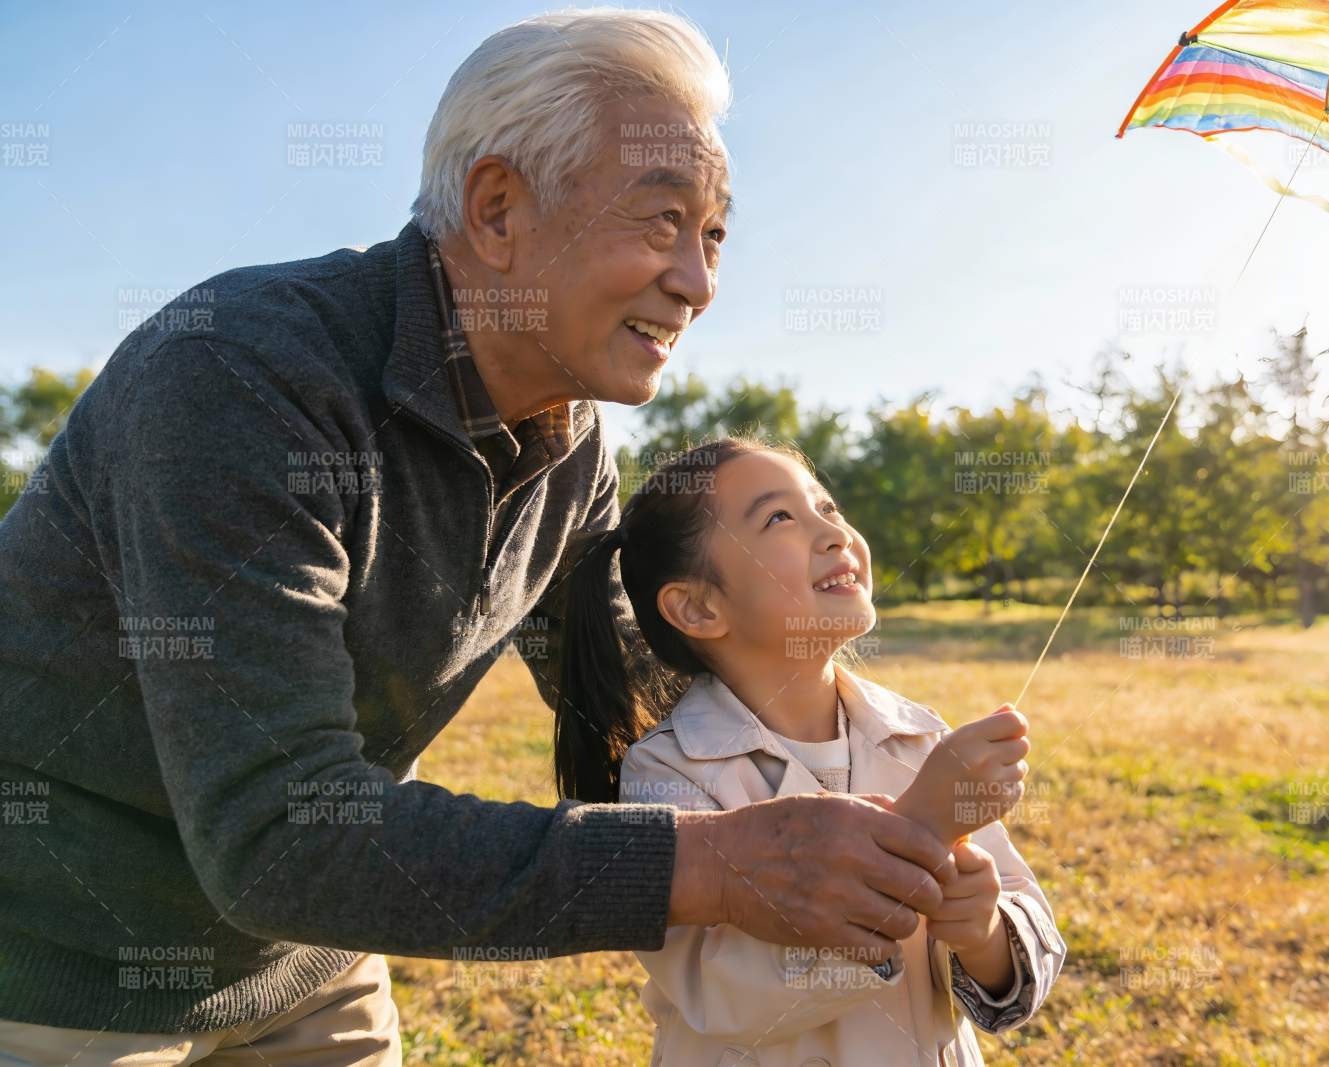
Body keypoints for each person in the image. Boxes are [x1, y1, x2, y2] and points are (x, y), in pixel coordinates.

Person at [0, 11, 961, 1062]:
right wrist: (718, 863)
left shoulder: (574, 444)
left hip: (308, 958)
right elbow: (279, 833)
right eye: (661, 220)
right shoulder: (239, 379)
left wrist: (864, 769)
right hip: (62, 961)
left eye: (715, 232)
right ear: (497, 209)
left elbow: (630, 705)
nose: (698, 279)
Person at [554, 437, 1067, 1065]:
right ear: (697, 606)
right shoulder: (668, 772)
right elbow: (722, 994)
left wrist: (983, 931)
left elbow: (1027, 940)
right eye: (780, 518)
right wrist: (922, 824)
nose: (834, 532)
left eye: (827, 506)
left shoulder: (920, 738)